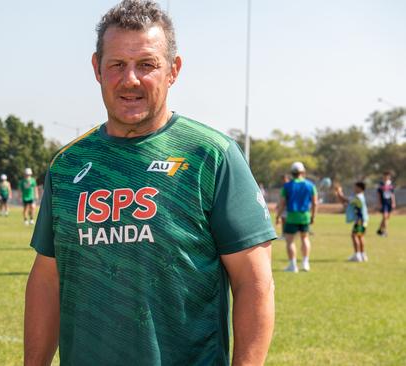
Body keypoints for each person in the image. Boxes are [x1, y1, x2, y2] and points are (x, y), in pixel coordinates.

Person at [24, 2, 276, 365]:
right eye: (117, 65)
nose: (131, 80)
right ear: (97, 68)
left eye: (146, 65)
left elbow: (254, 283)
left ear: (173, 70)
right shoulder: (68, 165)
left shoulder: (211, 155)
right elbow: (48, 278)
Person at [275, 162, 317, 273]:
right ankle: (305, 263)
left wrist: (278, 216)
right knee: (305, 239)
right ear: (303, 172)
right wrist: (313, 216)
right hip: (305, 216)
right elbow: (315, 203)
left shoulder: (287, 186)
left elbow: (282, 203)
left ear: (292, 173)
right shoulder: (310, 185)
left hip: (292, 217)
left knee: (290, 242)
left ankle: (293, 266)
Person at [334, 182, 369, 262]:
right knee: (360, 236)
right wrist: (339, 194)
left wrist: (339, 192)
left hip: (360, 220)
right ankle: (362, 255)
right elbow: (345, 203)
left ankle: (357, 255)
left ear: (360, 188)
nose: (354, 189)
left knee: (354, 236)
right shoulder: (360, 197)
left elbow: (344, 200)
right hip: (364, 220)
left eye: (355, 187)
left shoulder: (358, 197)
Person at [376, 171, 396, 237]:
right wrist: (379, 203)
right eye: (385, 176)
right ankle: (385, 231)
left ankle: (379, 230)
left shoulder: (391, 184)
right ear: (383, 176)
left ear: (389, 177)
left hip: (389, 202)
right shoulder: (381, 184)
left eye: (388, 176)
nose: (386, 177)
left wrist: (393, 202)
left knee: (387, 217)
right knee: (384, 217)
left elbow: (392, 194)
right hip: (383, 202)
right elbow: (378, 194)